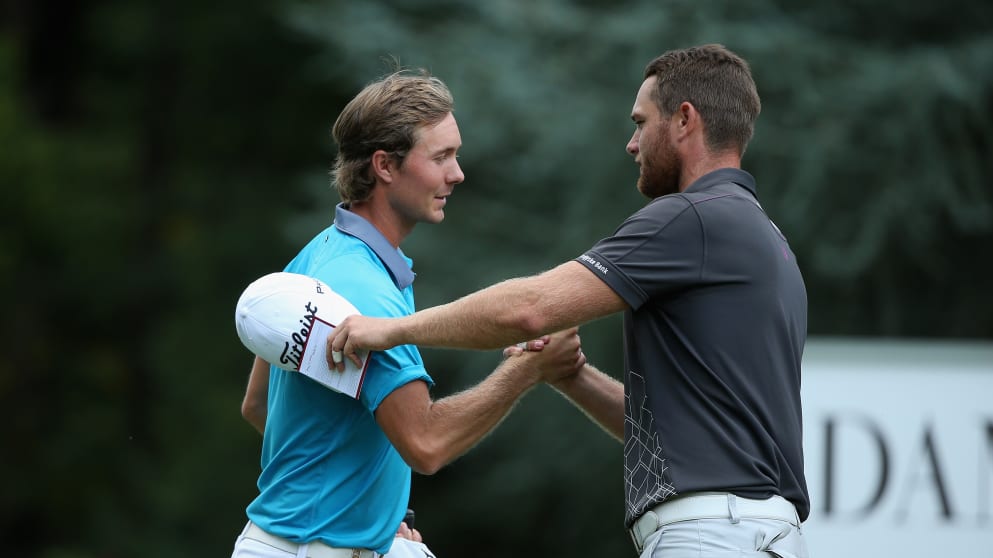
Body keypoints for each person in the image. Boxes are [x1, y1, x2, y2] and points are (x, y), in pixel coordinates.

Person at [326, 44, 810, 558]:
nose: (631, 143)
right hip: (759, 533)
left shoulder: (694, 217)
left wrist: (392, 329)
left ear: (685, 120)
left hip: (712, 535)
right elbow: (673, 434)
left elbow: (530, 308)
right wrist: (570, 375)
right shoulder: (767, 239)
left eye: (641, 122)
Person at [232, 68, 586, 558]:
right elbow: (427, 443)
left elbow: (259, 406)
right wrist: (528, 371)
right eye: (441, 156)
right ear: (384, 166)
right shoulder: (365, 289)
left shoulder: (320, 254)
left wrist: (368, 515)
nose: (457, 173)